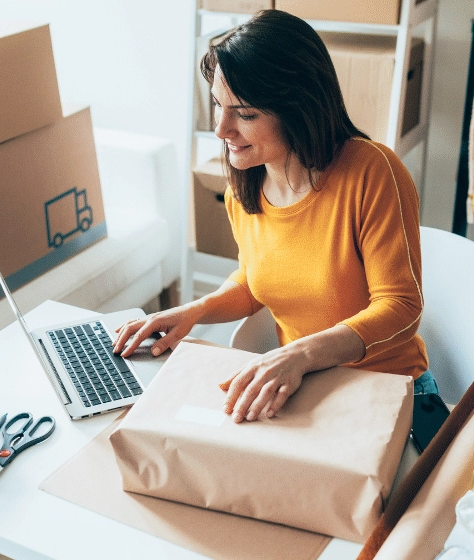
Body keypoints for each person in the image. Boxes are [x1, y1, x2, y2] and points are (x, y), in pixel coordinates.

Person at [114, 9, 432, 423]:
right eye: (218, 105)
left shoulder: (372, 172)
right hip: (307, 386)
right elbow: (256, 282)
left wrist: (296, 355)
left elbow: (401, 307)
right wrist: (194, 312)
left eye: (245, 114)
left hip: (386, 390)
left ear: (299, 109)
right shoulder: (242, 189)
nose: (222, 129)